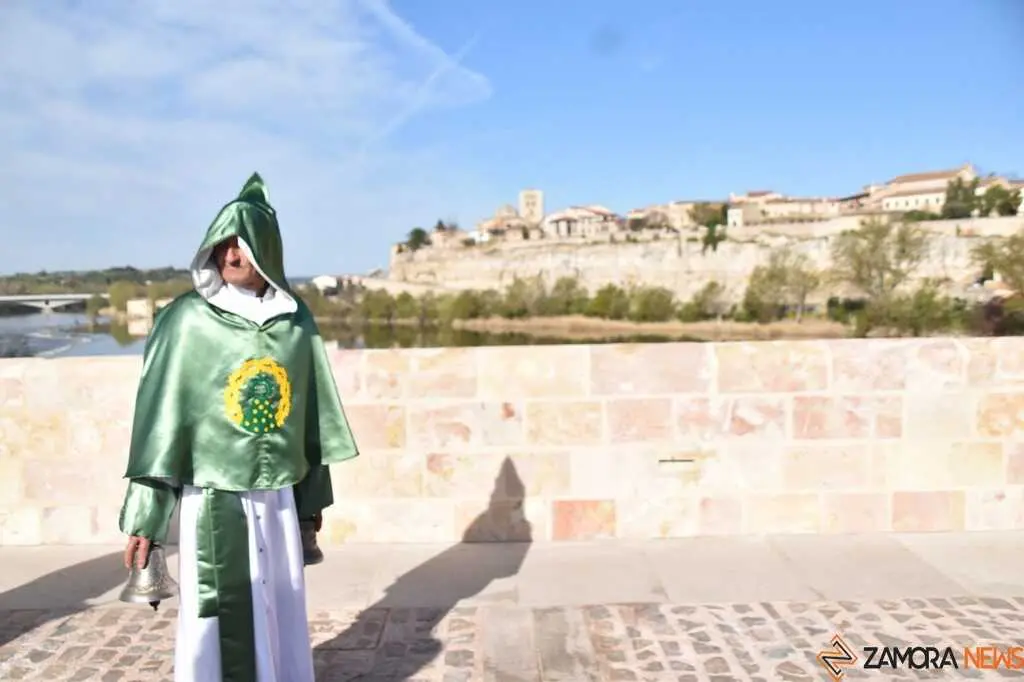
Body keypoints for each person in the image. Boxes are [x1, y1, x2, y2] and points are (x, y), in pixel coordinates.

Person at [118, 172, 359, 682]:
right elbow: (159, 423)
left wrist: (310, 505)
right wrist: (146, 516)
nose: (230, 255)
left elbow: (312, 424)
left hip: (277, 499)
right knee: (217, 621)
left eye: (243, 245)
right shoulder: (185, 321)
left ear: (267, 251)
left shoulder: (295, 322)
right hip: (213, 495)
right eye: (223, 244)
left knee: (280, 605)